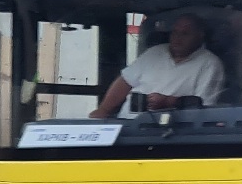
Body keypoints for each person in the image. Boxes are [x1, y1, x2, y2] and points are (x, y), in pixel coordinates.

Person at [89, 13, 225, 118]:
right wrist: (104, 110)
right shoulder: (155, 52)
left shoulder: (210, 64)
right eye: (175, 32)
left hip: (169, 133)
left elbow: (204, 108)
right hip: (128, 126)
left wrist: (168, 102)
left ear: (200, 36)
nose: (177, 38)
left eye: (185, 34)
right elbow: (125, 81)